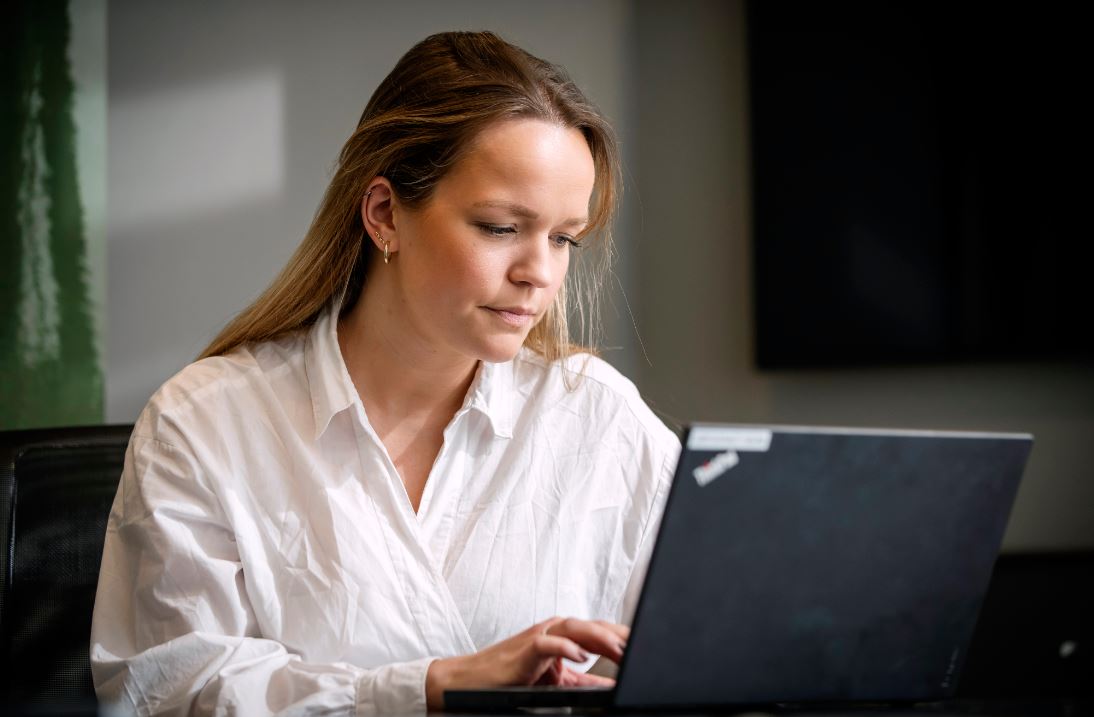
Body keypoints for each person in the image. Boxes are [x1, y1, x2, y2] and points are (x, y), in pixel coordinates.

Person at [91, 31, 679, 715]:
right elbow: (172, 690)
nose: (539, 274)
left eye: (563, 237)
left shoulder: (598, 416)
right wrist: (429, 687)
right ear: (383, 214)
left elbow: (714, 631)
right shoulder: (205, 423)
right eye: (498, 226)